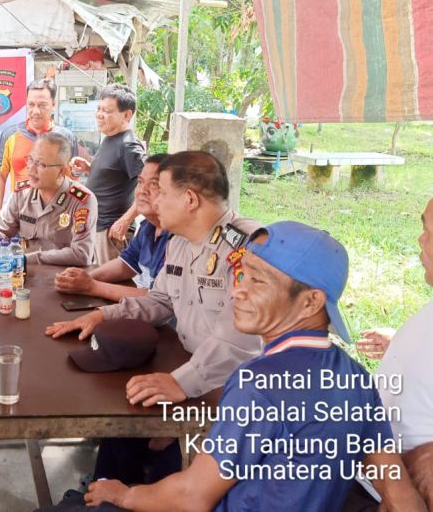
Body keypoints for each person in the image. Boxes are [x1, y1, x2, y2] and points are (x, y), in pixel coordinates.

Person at [43, 221, 425, 512]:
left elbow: (192, 496)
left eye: (258, 280)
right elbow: (397, 489)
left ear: (310, 302)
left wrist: (123, 494)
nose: (236, 289)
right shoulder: (355, 378)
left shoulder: (258, 384)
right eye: (242, 273)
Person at [47, 150, 262, 485]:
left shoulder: (248, 248)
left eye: (160, 190)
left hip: (236, 391)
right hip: (190, 364)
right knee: (123, 413)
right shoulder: (179, 242)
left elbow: (240, 340)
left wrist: (181, 382)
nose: (150, 198)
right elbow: (161, 300)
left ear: (190, 199)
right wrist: (102, 314)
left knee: (171, 462)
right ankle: (102, 493)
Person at [348, 196, 433, 508]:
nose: (420, 240)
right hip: (372, 477)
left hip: (396, 493)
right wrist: (401, 345)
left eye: (430, 233)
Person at [0, 131, 96, 268]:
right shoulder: (22, 193)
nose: (31, 170)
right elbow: (1, 231)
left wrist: (25, 258)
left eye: (41, 164)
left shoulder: (81, 200)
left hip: (66, 278)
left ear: (61, 171)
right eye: (30, 160)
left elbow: (81, 254)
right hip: (26, 276)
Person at [54, 153, 171, 302]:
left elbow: (160, 300)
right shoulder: (148, 227)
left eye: (154, 184)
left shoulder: (179, 238)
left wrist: (92, 286)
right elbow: (127, 263)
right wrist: (85, 278)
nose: (142, 190)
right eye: (140, 182)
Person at [70, 86, 145, 264]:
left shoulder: (129, 146)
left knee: (111, 286)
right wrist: (89, 168)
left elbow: (152, 185)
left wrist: (125, 220)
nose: (99, 115)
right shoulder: (110, 138)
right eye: (99, 109)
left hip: (110, 232)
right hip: (95, 227)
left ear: (127, 115)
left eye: (107, 111)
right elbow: (115, 175)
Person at [0, 77, 79, 222]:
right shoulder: (10, 135)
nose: (35, 111)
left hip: (56, 216)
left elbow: (73, 180)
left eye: (42, 105)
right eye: (31, 104)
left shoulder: (66, 137)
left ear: (53, 104)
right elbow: (0, 175)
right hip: (20, 215)